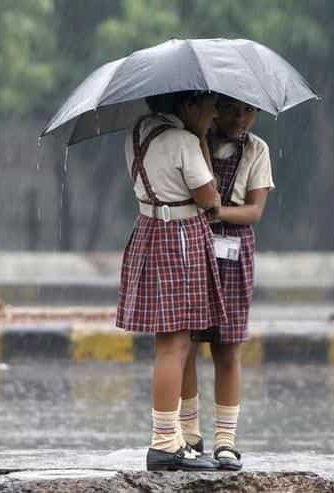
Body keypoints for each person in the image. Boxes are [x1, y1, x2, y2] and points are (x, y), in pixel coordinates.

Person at [116, 90, 227, 472]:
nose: (215, 116)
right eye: (210, 108)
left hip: (148, 230)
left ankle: (175, 438)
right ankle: (164, 443)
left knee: (172, 342)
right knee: (174, 343)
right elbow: (209, 197)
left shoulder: (137, 133)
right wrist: (198, 140)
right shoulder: (182, 141)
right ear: (189, 105)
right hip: (178, 236)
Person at [179, 96, 274, 471]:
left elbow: (254, 210)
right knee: (184, 343)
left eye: (249, 111)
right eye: (232, 109)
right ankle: (188, 433)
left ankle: (226, 440)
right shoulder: (191, 141)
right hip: (192, 243)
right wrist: (199, 138)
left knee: (228, 346)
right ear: (213, 108)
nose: (241, 118)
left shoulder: (257, 150)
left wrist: (218, 211)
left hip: (234, 248)